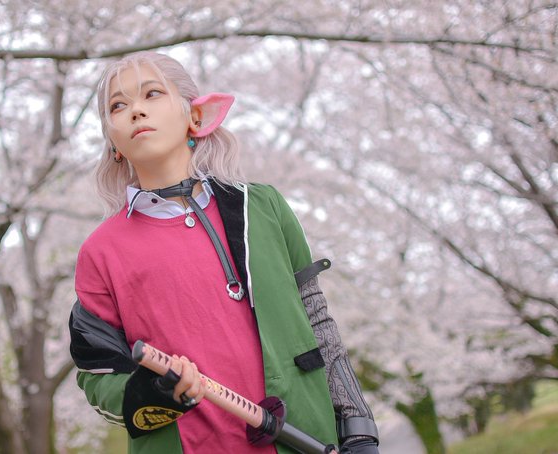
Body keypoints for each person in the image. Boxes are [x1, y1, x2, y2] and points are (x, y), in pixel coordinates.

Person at [69, 51, 379, 454]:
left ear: (197, 116)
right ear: (112, 141)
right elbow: (98, 375)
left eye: (152, 94)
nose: (136, 111)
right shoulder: (100, 251)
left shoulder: (263, 208)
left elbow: (317, 319)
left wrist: (357, 427)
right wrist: (150, 393)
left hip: (305, 438)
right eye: (118, 105)